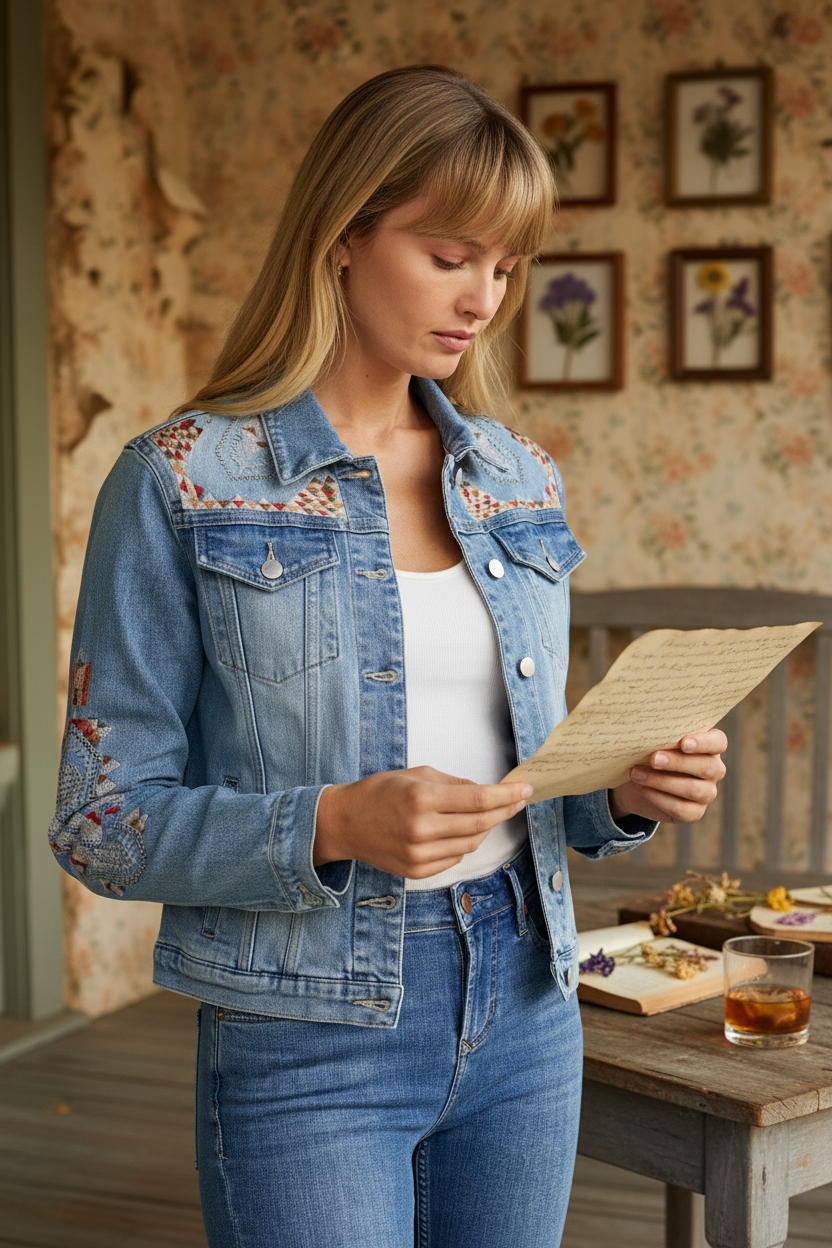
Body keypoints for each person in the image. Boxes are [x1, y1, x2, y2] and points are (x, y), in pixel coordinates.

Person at [50, 65, 726, 1248]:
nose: (485, 298)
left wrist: (616, 793)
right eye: (451, 253)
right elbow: (101, 821)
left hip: (526, 1004)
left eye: (507, 267)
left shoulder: (515, 476)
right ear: (344, 234)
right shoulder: (182, 479)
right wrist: (334, 823)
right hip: (302, 1034)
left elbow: (526, 782)